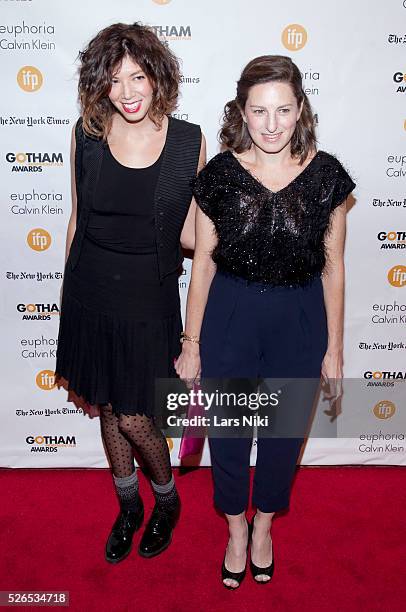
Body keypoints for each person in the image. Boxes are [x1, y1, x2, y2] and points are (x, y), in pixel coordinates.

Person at [175, 55, 355, 588]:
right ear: (242, 112)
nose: (272, 124)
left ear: (301, 109)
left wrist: (335, 348)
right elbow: (202, 262)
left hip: (299, 319)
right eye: (260, 111)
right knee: (228, 436)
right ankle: (234, 528)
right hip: (230, 313)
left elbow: (335, 266)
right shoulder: (221, 176)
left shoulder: (325, 176)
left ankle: (264, 527)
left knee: (282, 439)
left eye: (283, 110)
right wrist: (191, 342)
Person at [55, 22, 205, 563]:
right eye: (115, 80)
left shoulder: (189, 140)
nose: (127, 91)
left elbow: (194, 235)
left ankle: (165, 499)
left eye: (137, 76)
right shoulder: (86, 134)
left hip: (149, 301)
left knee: (136, 413)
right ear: (100, 85)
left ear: (157, 75)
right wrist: (67, 300)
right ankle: (128, 506)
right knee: (109, 409)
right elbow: (76, 220)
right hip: (90, 294)